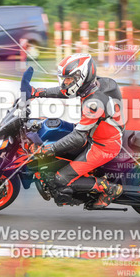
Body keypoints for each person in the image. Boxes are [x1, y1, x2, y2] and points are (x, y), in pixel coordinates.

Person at [27, 53, 125, 208]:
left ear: (82, 76)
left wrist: (50, 149)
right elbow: (65, 92)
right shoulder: (99, 84)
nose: (65, 83)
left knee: (60, 179)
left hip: (103, 146)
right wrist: (36, 92)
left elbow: (79, 138)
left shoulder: (93, 104)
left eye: (69, 79)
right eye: (65, 78)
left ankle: (109, 188)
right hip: (97, 132)